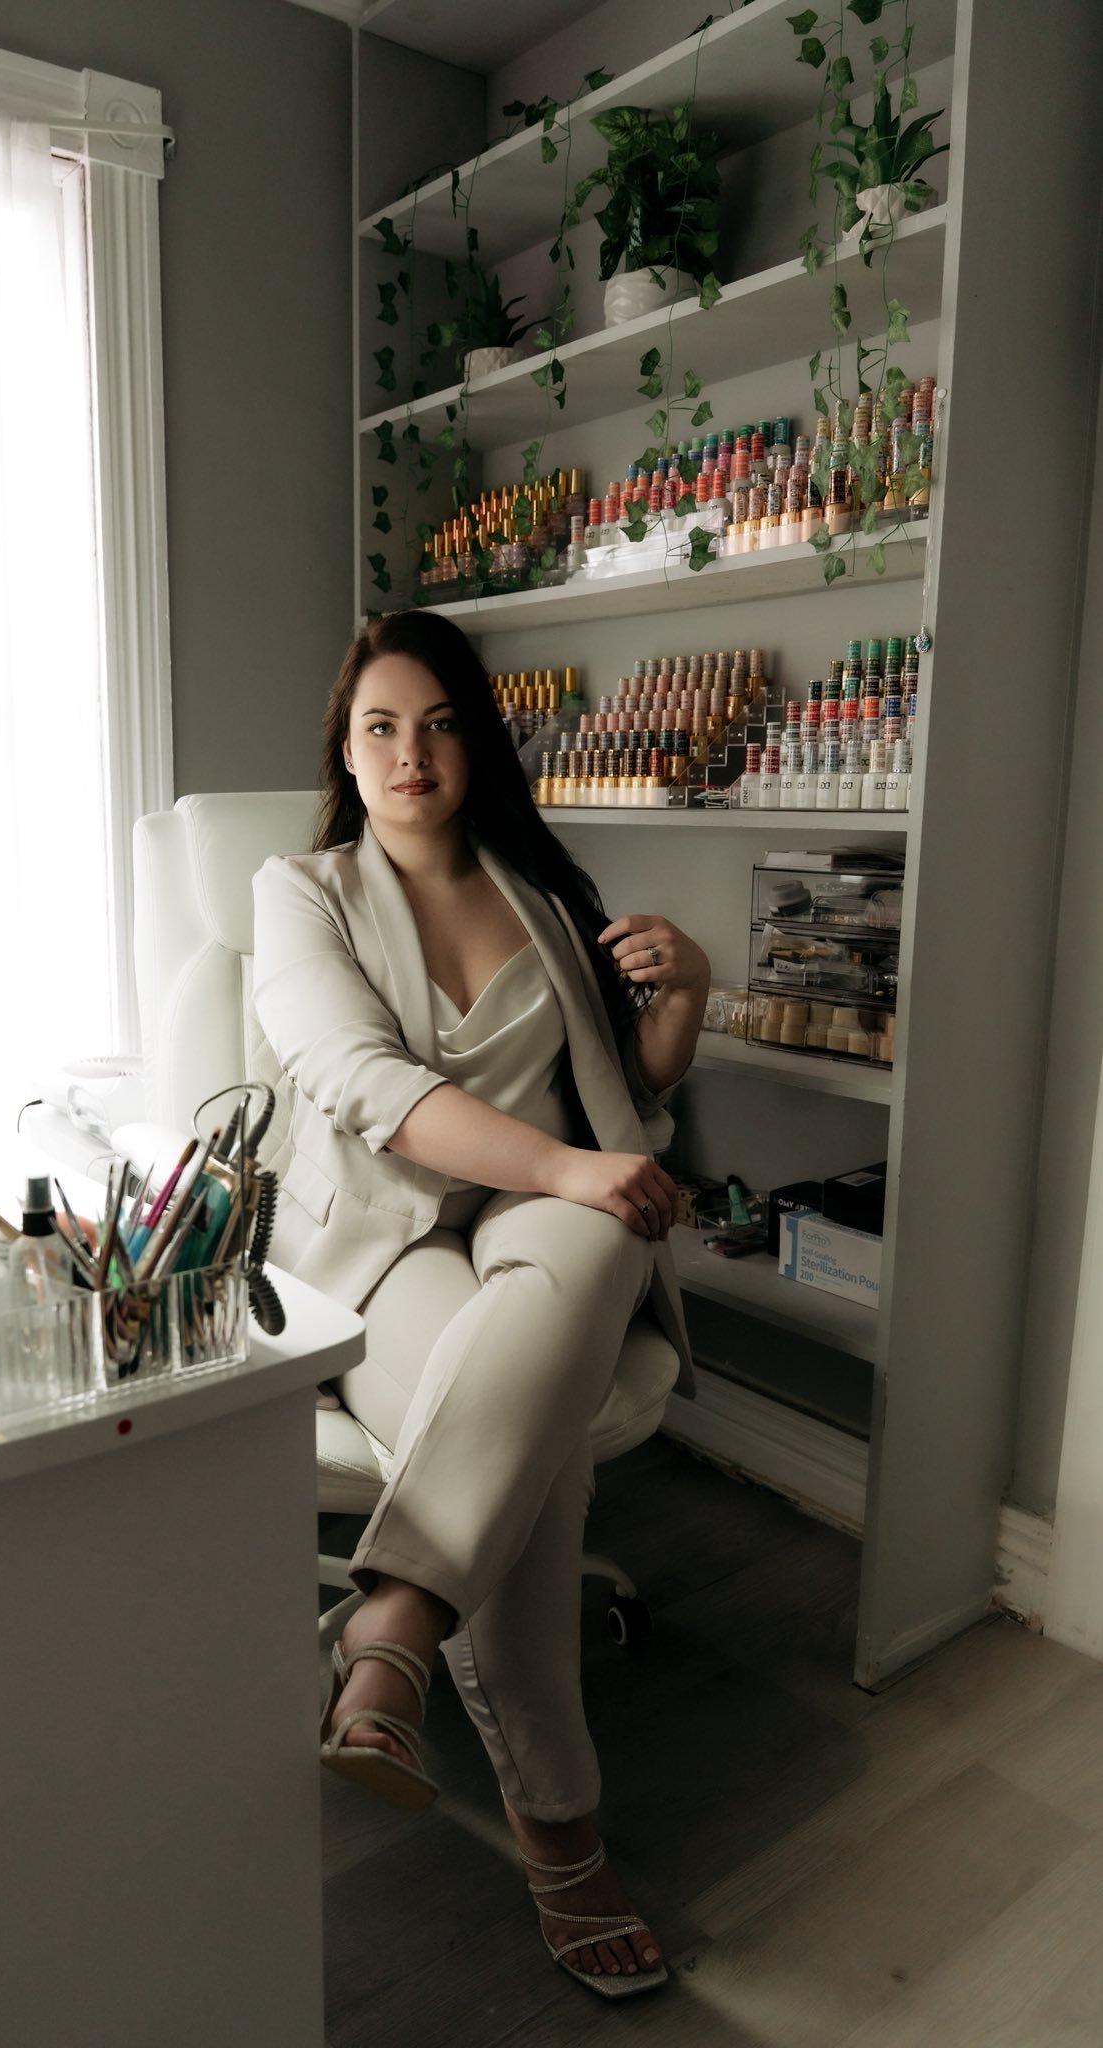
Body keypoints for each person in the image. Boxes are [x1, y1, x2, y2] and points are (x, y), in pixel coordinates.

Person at [251, 609, 709, 1999]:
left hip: (536, 1221)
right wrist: (570, 1169)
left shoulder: (542, 891)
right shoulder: (302, 890)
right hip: (381, 1242)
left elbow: (627, 1098)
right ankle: (560, 1834)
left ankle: (392, 1621)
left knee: (596, 1237)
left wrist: (685, 994)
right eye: (382, 726)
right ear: (345, 751)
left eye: (441, 723)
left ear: (477, 744)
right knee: (536, 1452)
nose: (413, 752)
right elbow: (359, 1081)